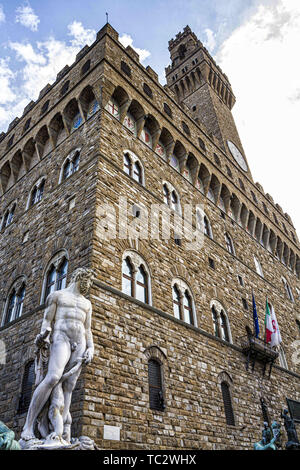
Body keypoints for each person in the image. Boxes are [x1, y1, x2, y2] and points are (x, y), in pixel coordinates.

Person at [21, 267, 94, 444]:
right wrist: (44, 335)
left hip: (80, 342)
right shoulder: (57, 295)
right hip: (61, 338)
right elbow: (47, 321)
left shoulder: (87, 303)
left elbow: (87, 329)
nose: (89, 285)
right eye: (88, 281)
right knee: (53, 377)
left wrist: (91, 347)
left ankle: (61, 431)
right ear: (79, 277)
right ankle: (28, 426)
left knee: (69, 385)